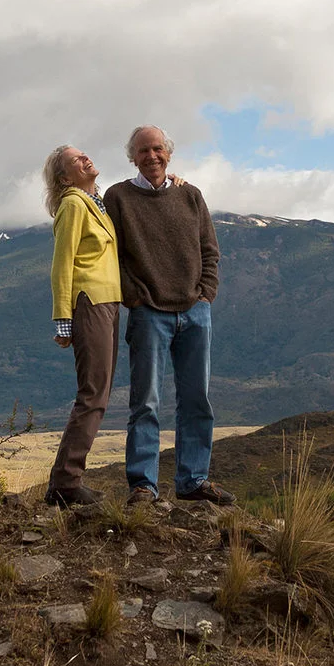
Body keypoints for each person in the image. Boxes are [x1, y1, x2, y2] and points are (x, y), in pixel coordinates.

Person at [104, 125, 235, 506]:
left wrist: (205, 295)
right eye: (143, 150)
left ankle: (193, 480)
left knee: (197, 400)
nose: (152, 156)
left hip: (195, 312)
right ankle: (143, 485)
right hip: (148, 314)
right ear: (132, 157)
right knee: (145, 402)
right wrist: (135, 297)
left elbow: (209, 250)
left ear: (169, 153)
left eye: (157, 149)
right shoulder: (118, 197)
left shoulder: (190, 195)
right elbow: (112, 255)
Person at [41, 145, 121, 507]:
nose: (86, 159)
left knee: (97, 392)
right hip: (90, 302)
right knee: (93, 393)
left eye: (85, 154)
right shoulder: (73, 204)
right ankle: (66, 482)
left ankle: (66, 481)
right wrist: (63, 319)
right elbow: (62, 264)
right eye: (77, 160)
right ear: (64, 177)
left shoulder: (95, 204)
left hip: (108, 302)